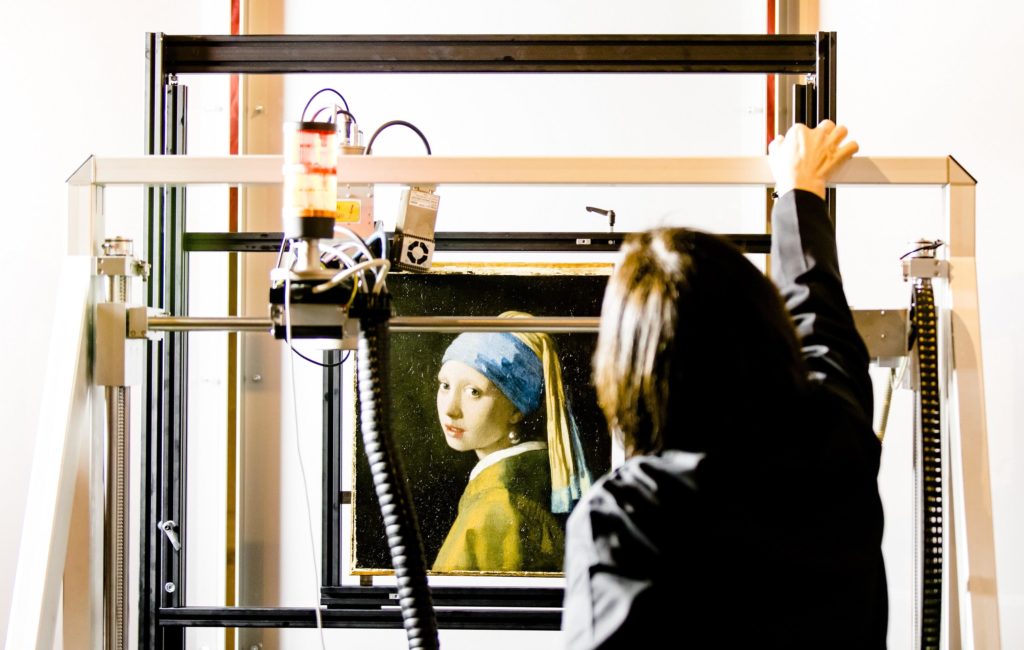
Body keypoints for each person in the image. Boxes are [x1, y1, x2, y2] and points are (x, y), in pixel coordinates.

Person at [562, 121, 887, 648]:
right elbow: (817, 312)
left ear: (626, 373)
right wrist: (800, 190)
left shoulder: (627, 516)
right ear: (769, 330)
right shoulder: (836, 444)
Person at [432, 311, 592, 573]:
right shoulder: (539, 476)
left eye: (474, 392)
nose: (450, 409)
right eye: (445, 385)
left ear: (517, 408)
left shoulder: (496, 505)